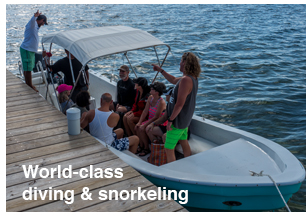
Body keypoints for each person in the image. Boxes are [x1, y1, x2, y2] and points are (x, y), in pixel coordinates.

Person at [151, 52, 201, 163]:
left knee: (168, 148)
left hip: (178, 120)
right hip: (184, 120)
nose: (179, 63)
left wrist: (170, 120)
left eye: (181, 61)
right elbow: (173, 80)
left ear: (185, 63)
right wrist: (160, 70)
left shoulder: (186, 80)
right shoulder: (191, 78)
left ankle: (172, 170)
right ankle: (188, 163)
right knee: (184, 142)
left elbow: (179, 104)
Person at [135, 82, 167, 156]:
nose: (150, 89)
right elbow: (145, 111)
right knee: (138, 127)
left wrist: (144, 125)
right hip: (150, 120)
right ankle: (141, 146)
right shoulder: (150, 97)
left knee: (143, 128)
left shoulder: (161, 102)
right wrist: (139, 122)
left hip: (157, 122)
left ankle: (146, 148)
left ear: (156, 92)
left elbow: (156, 117)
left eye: (152, 89)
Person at [20, 10, 48, 92]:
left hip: (30, 50)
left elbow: (36, 26)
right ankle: (30, 86)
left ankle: (27, 84)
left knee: (28, 68)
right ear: (42, 20)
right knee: (28, 69)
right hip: (27, 49)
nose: (43, 25)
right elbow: (33, 20)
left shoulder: (35, 26)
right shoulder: (32, 24)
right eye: (43, 23)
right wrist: (35, 16)